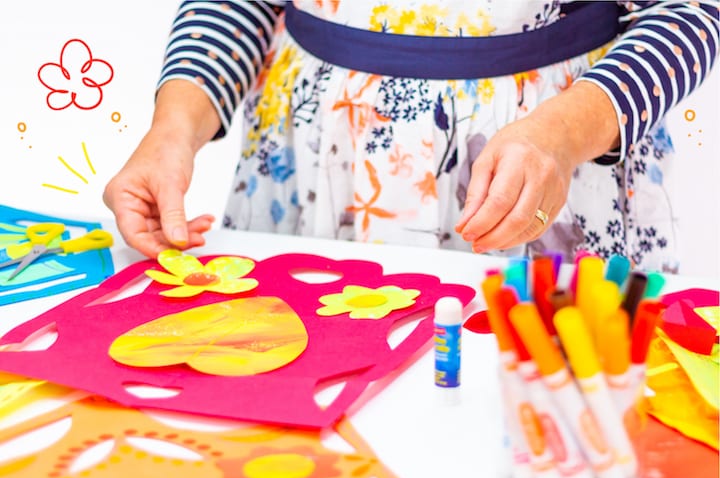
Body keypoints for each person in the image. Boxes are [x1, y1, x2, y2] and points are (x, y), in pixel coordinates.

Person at [103, 1, 719, 273]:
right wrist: (172, 133)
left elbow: (690, 10)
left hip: (545, 156)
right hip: (314, 167)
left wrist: (561, 133)